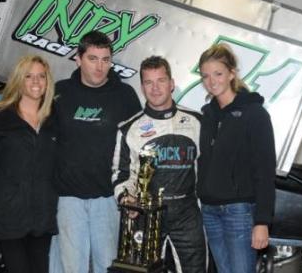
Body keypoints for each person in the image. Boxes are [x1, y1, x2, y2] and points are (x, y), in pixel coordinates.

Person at [50, 30, 141, 273]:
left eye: (105, 59)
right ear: (78, 59)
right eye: (93, 59)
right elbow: (41, 139)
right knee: (72, 268)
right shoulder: (60, 93)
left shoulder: (125, 95)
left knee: (107, 266)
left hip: (108, 199)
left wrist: (133, 191)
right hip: (68, 199)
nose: (100, 66)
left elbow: (136, 148)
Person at [112, 56, 206, 273]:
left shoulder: (196, 122)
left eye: (161, 81)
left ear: (171, 83)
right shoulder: (129, 129)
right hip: (146, 216)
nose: (155, 88)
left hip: (188, 216)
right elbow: (121, 174)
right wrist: (127, 199)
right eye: (148, 82)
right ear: (142, 87)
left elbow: (209, 170)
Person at [0, 55, 58, 273]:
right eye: (29, 76)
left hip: (43, 218)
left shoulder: (55, 117)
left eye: (41, 76)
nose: (36, 82)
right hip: (9, 216)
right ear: (19, 80)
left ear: (47, 81)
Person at [197, 43, 276, 273]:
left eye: (218, 74)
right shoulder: (207, 115)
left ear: (232, 73)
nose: (212, 81)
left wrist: (262, 222)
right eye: (205, 76)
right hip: (210, 211)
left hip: (239, 212)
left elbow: (265, 170)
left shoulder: (254, 114)